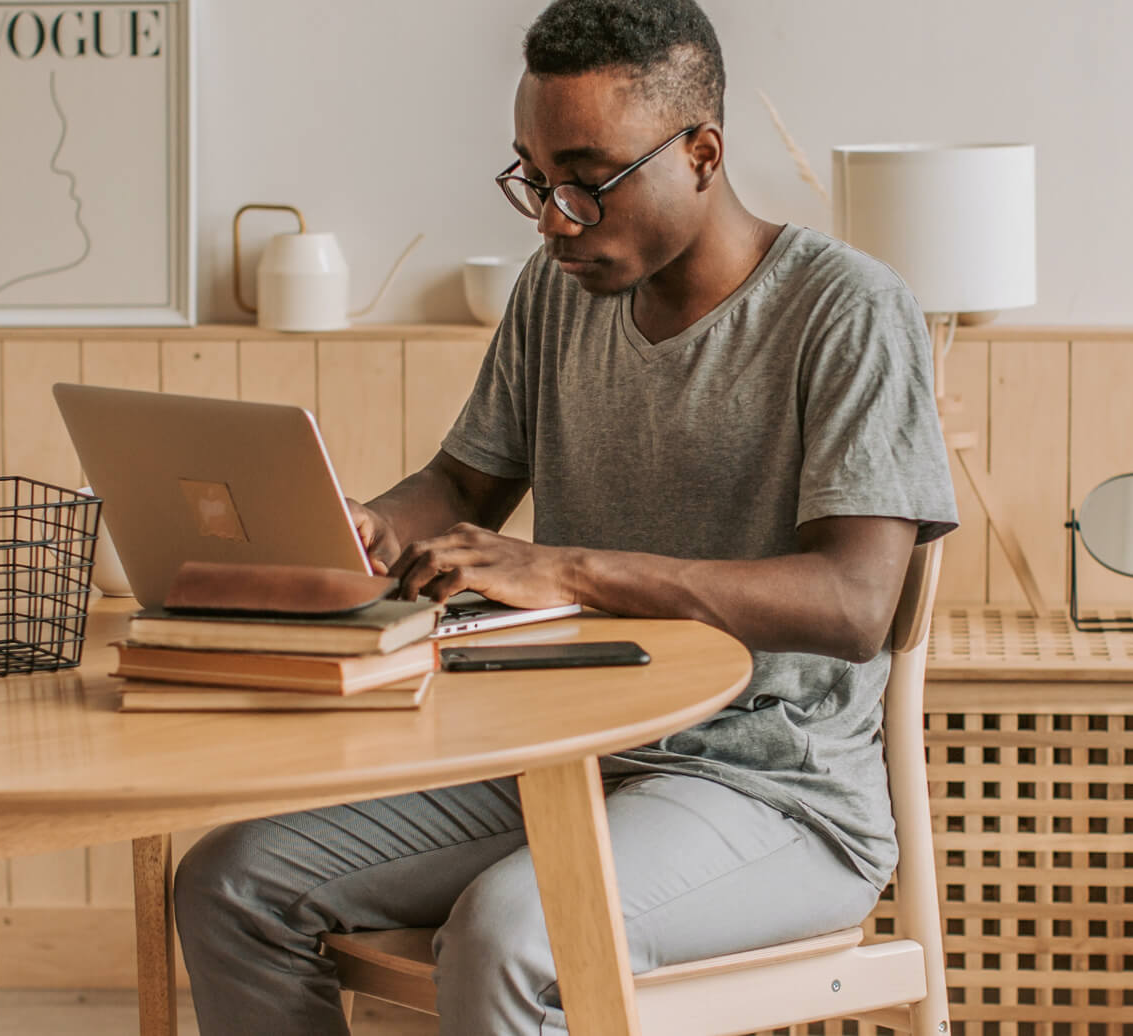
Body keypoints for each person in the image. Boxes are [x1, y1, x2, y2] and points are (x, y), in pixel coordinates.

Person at [173, 0, 958, 1031]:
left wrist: (574, 572)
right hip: (564, 758)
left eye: (587, 180)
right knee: (232, 883)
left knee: (509, 936)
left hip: (775, 793)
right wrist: (362, 526)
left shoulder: (847, 310)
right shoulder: (558, 295)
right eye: (533, 179)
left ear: (704, 154)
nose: (552, 217)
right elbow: (458, 491)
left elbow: (856, 602)